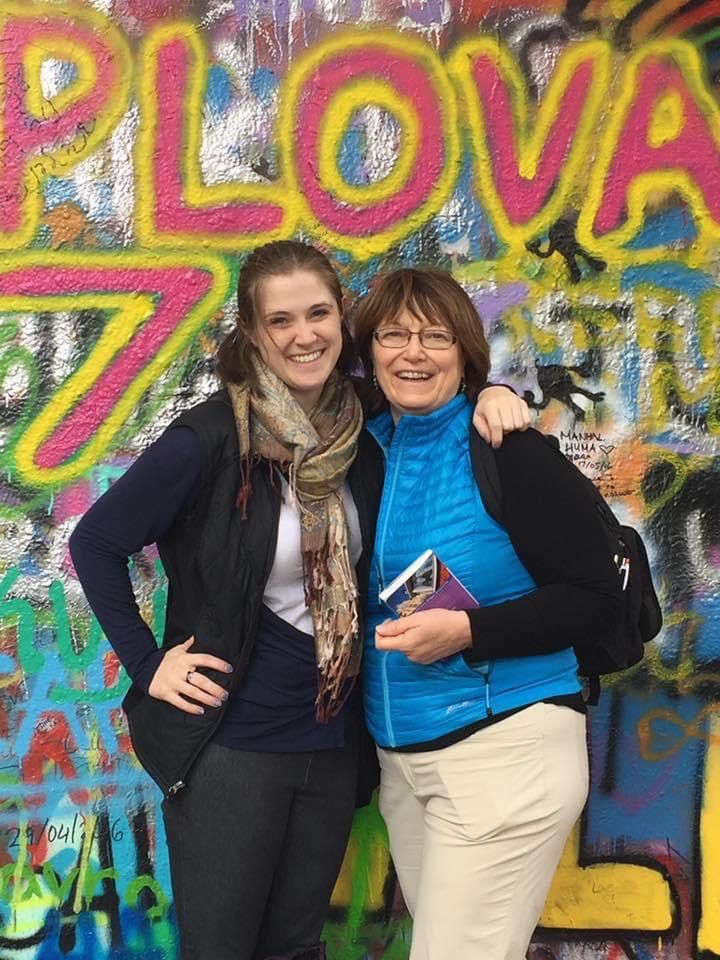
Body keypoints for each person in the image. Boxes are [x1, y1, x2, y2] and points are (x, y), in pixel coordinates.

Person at [69, 241, 529, 960]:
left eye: (318, 313)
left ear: (342, 321)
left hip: (331, 740)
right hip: (235, 743)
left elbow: (436, 393)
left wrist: (495, 393)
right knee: (221, 948)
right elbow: (96, 542)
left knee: (294, 947)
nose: (303, 334)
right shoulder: (212, 439)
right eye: (280, 321)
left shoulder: (366, 428)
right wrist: (146, 664)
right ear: (253, 334)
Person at [352, 268, 623, 960]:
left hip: (506, 754)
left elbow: (595, 595)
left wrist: (469, 632)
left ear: (465, 353)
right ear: (370, 351)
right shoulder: (365, 445)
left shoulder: (510, 452)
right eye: (394, 335)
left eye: (435, 337)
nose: (413, 353)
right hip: (405, 762)